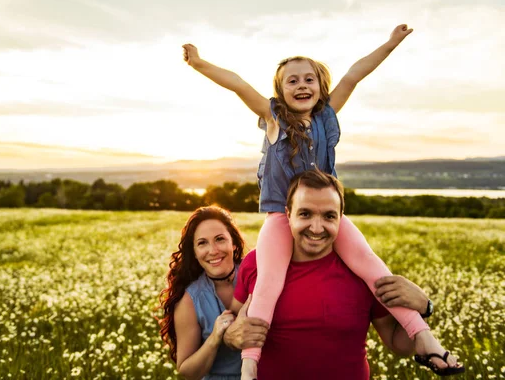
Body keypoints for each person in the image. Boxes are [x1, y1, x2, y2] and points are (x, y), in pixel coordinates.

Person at [182, 24, 462, 378]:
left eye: (309, 79)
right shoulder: (274, 120)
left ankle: (424, 339)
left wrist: (390, 43)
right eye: (292, 81)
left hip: (325, 213)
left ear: (320, 86)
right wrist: (199, 64)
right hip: (280, 219)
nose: (302, 86)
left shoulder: (326, 117)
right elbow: (238, 83)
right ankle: (249, 366)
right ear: (280, 92)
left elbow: (354, 74)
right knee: (268, 281)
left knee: (375, 269)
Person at [225, 170, 465, 378]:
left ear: (341, 218)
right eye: (305, 214)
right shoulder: (256, 264)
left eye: (329, 216)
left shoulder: (363, 272)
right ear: (288, 214)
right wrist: (229, 337)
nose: (316, 228)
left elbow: (398, 344)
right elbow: (234, 324)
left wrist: (424, 308)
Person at [157, 206, 268, 380]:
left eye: (220, 239)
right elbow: (187, 371)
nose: (213, 250)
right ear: (194, 252)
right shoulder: (189, 300)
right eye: (202, 243)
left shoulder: (258, 273)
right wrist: (216, 338)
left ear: (233, 242)